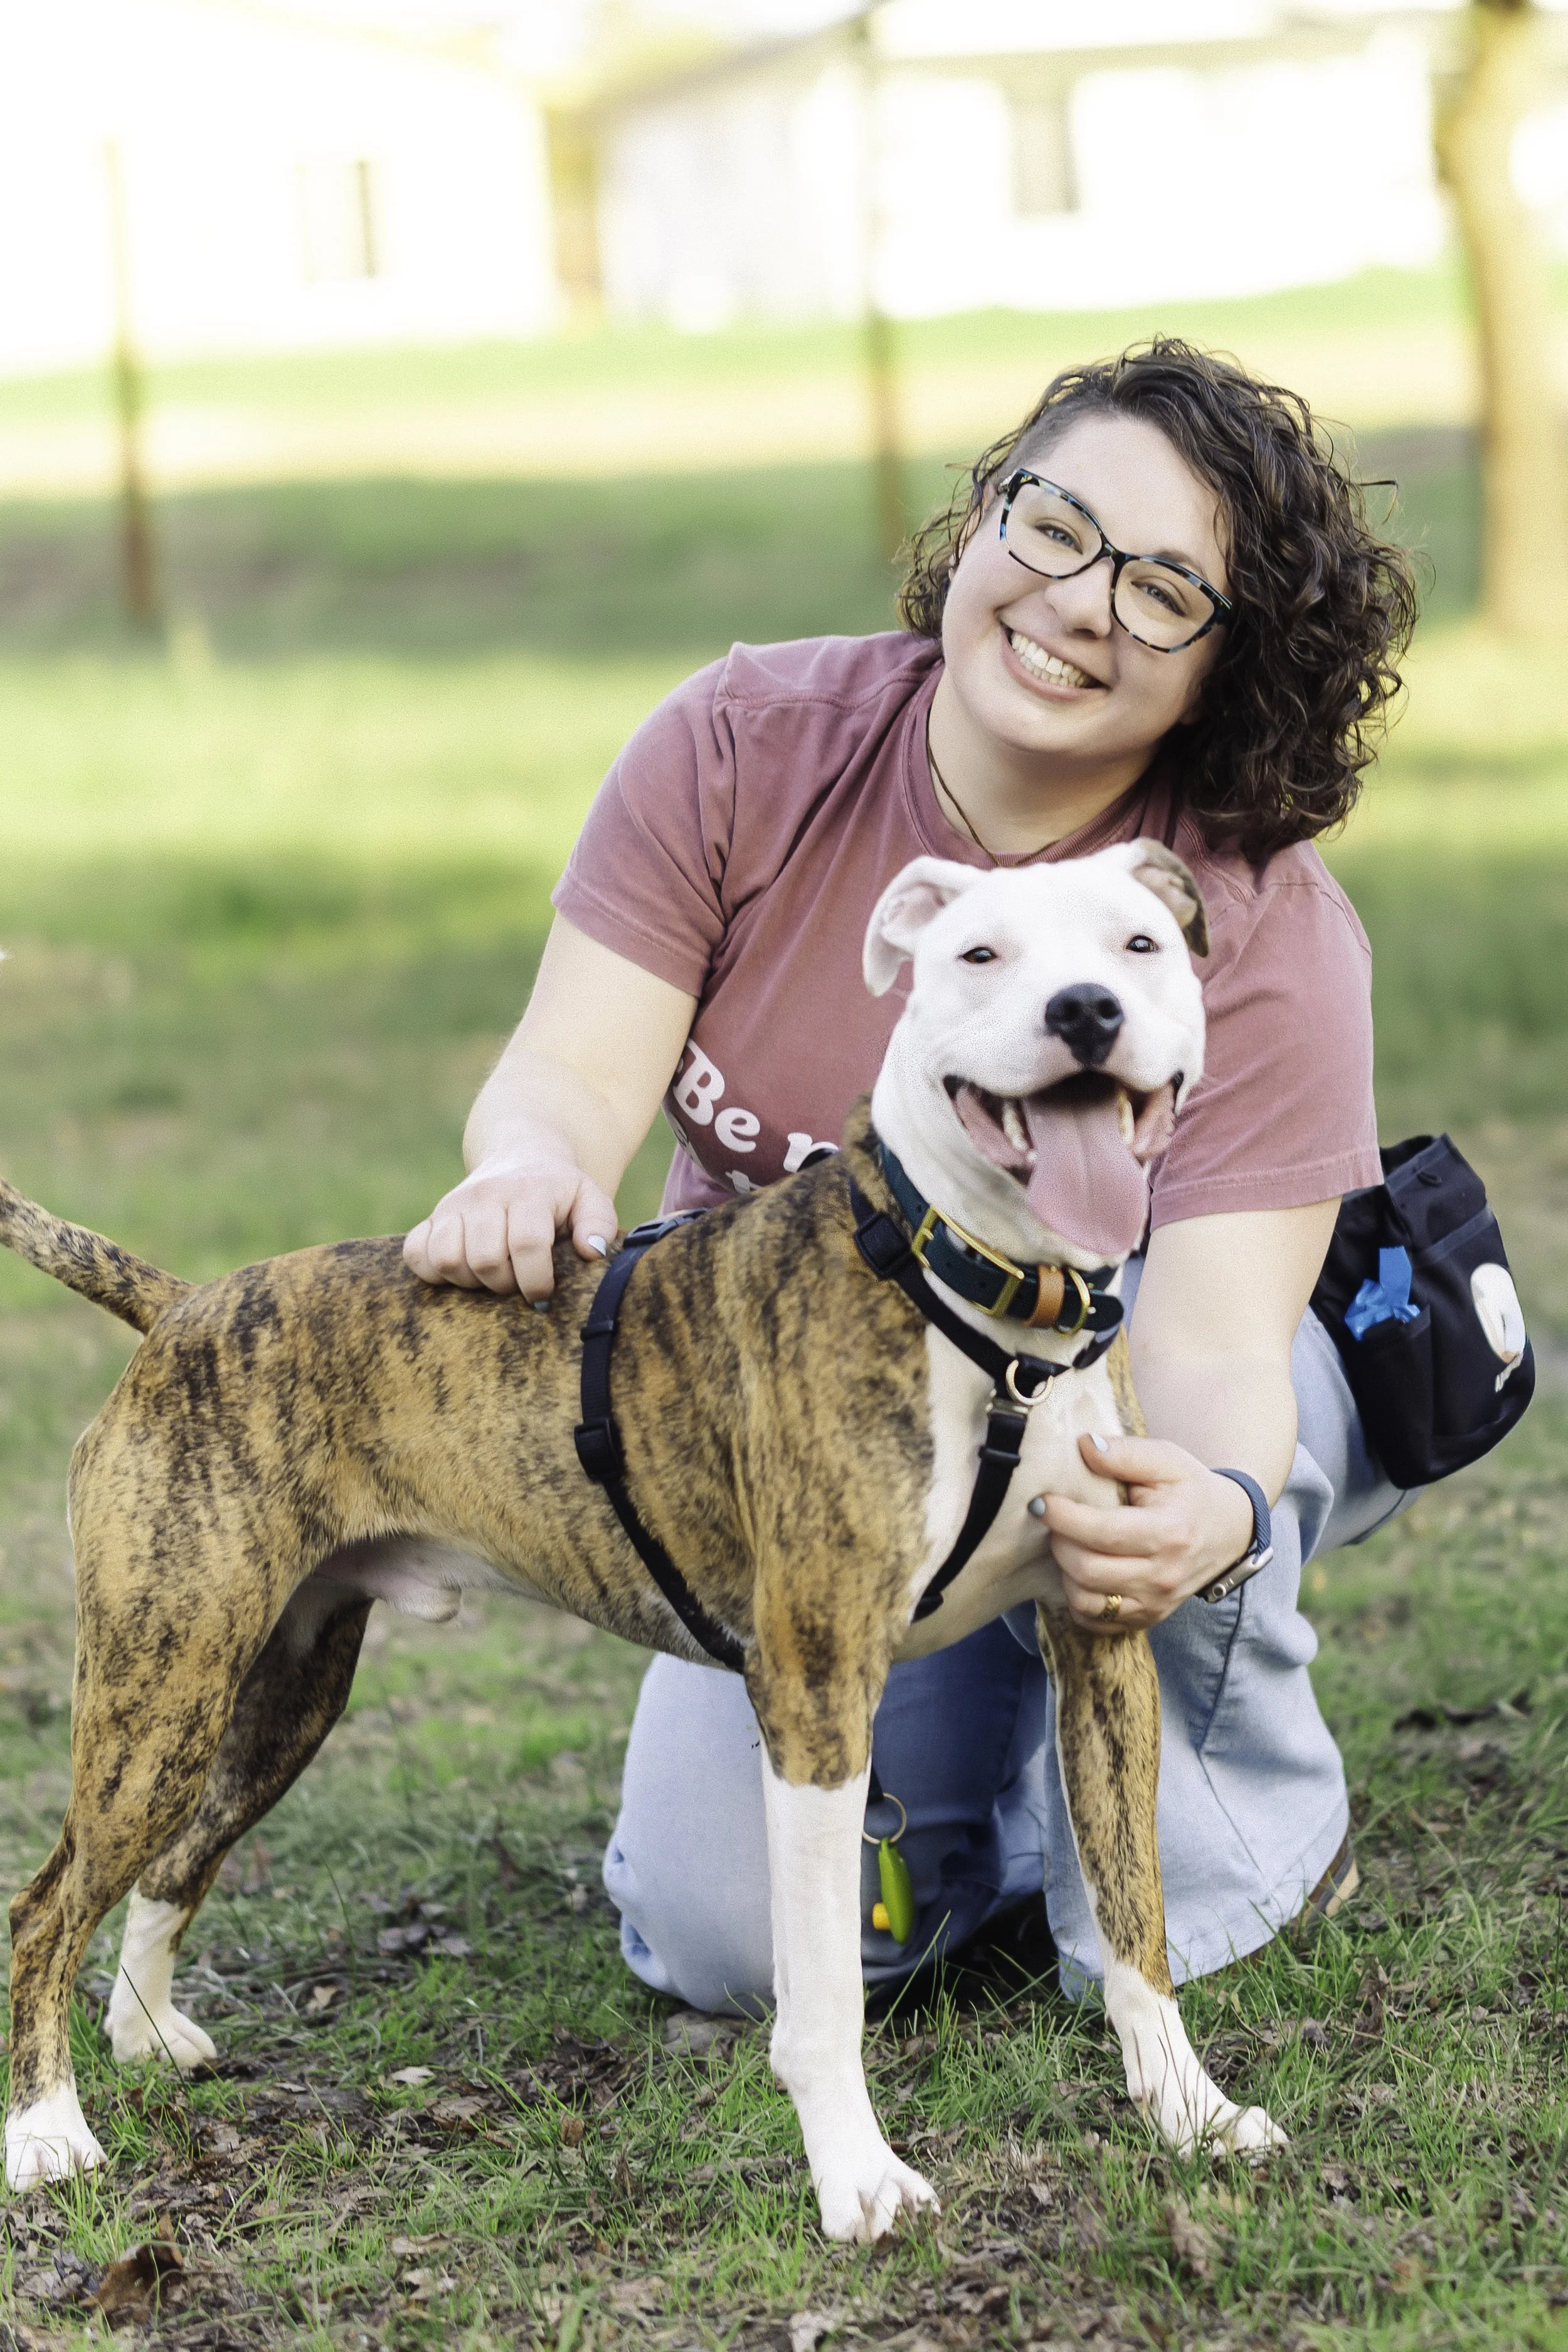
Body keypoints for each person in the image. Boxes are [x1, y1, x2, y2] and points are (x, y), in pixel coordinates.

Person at [404, 339, 1420, 2010]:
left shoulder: (1256, 913)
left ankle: (1251, 1806)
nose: (1083, 602)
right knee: (724, 1940)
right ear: (981, 519)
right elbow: (573, 1076)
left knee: (1157, 1910)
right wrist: (524, 1166)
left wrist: (1220, 1509)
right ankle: (996, 1796)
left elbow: (1222, 1343)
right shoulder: (746, 740)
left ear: (1230, 663)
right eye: (1055, 525)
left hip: (1130, 1369)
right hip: (824, 1412)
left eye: (1165, 589)